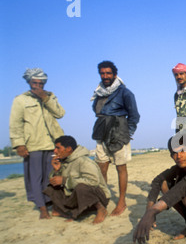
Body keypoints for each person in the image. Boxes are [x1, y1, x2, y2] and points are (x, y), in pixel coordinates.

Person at [9, 68, 65, 219]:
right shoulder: (20, 100)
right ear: (29, 82)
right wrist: (19, 144)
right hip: (33, 145)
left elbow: (60, 113)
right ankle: (42, 209)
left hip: (52, 144)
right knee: (35, 177)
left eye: (41, 83)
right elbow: (15, 124)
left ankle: (53, 205)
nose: (38, 86)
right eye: (34, 83)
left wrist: (45, 98)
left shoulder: (50, 96)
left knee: (52, 174)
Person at [91, 60, 140, 216]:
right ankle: (103, 201)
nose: (105, 76)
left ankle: (121, 202)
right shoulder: (98, 93)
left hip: (119, 133)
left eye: (108, 73)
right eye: (102, 73)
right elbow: (98, 112)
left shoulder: (125, 92)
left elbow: (134, 116)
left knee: (121, 168)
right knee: (101, 168)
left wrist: (127, 133)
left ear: (114, 74)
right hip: (101, 133)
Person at [43, 136, 111, 224]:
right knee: (51, 187)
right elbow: (57, 181)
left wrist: (65, 181)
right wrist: (57, 171)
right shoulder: (64, 161)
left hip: (98, 197)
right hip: (78, 196)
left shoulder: (84, 161)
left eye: (58, 148)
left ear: (68, 149)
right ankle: (72, 212)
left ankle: (101, 209)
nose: (55, 151)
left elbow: (93, 181)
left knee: (81, 187)